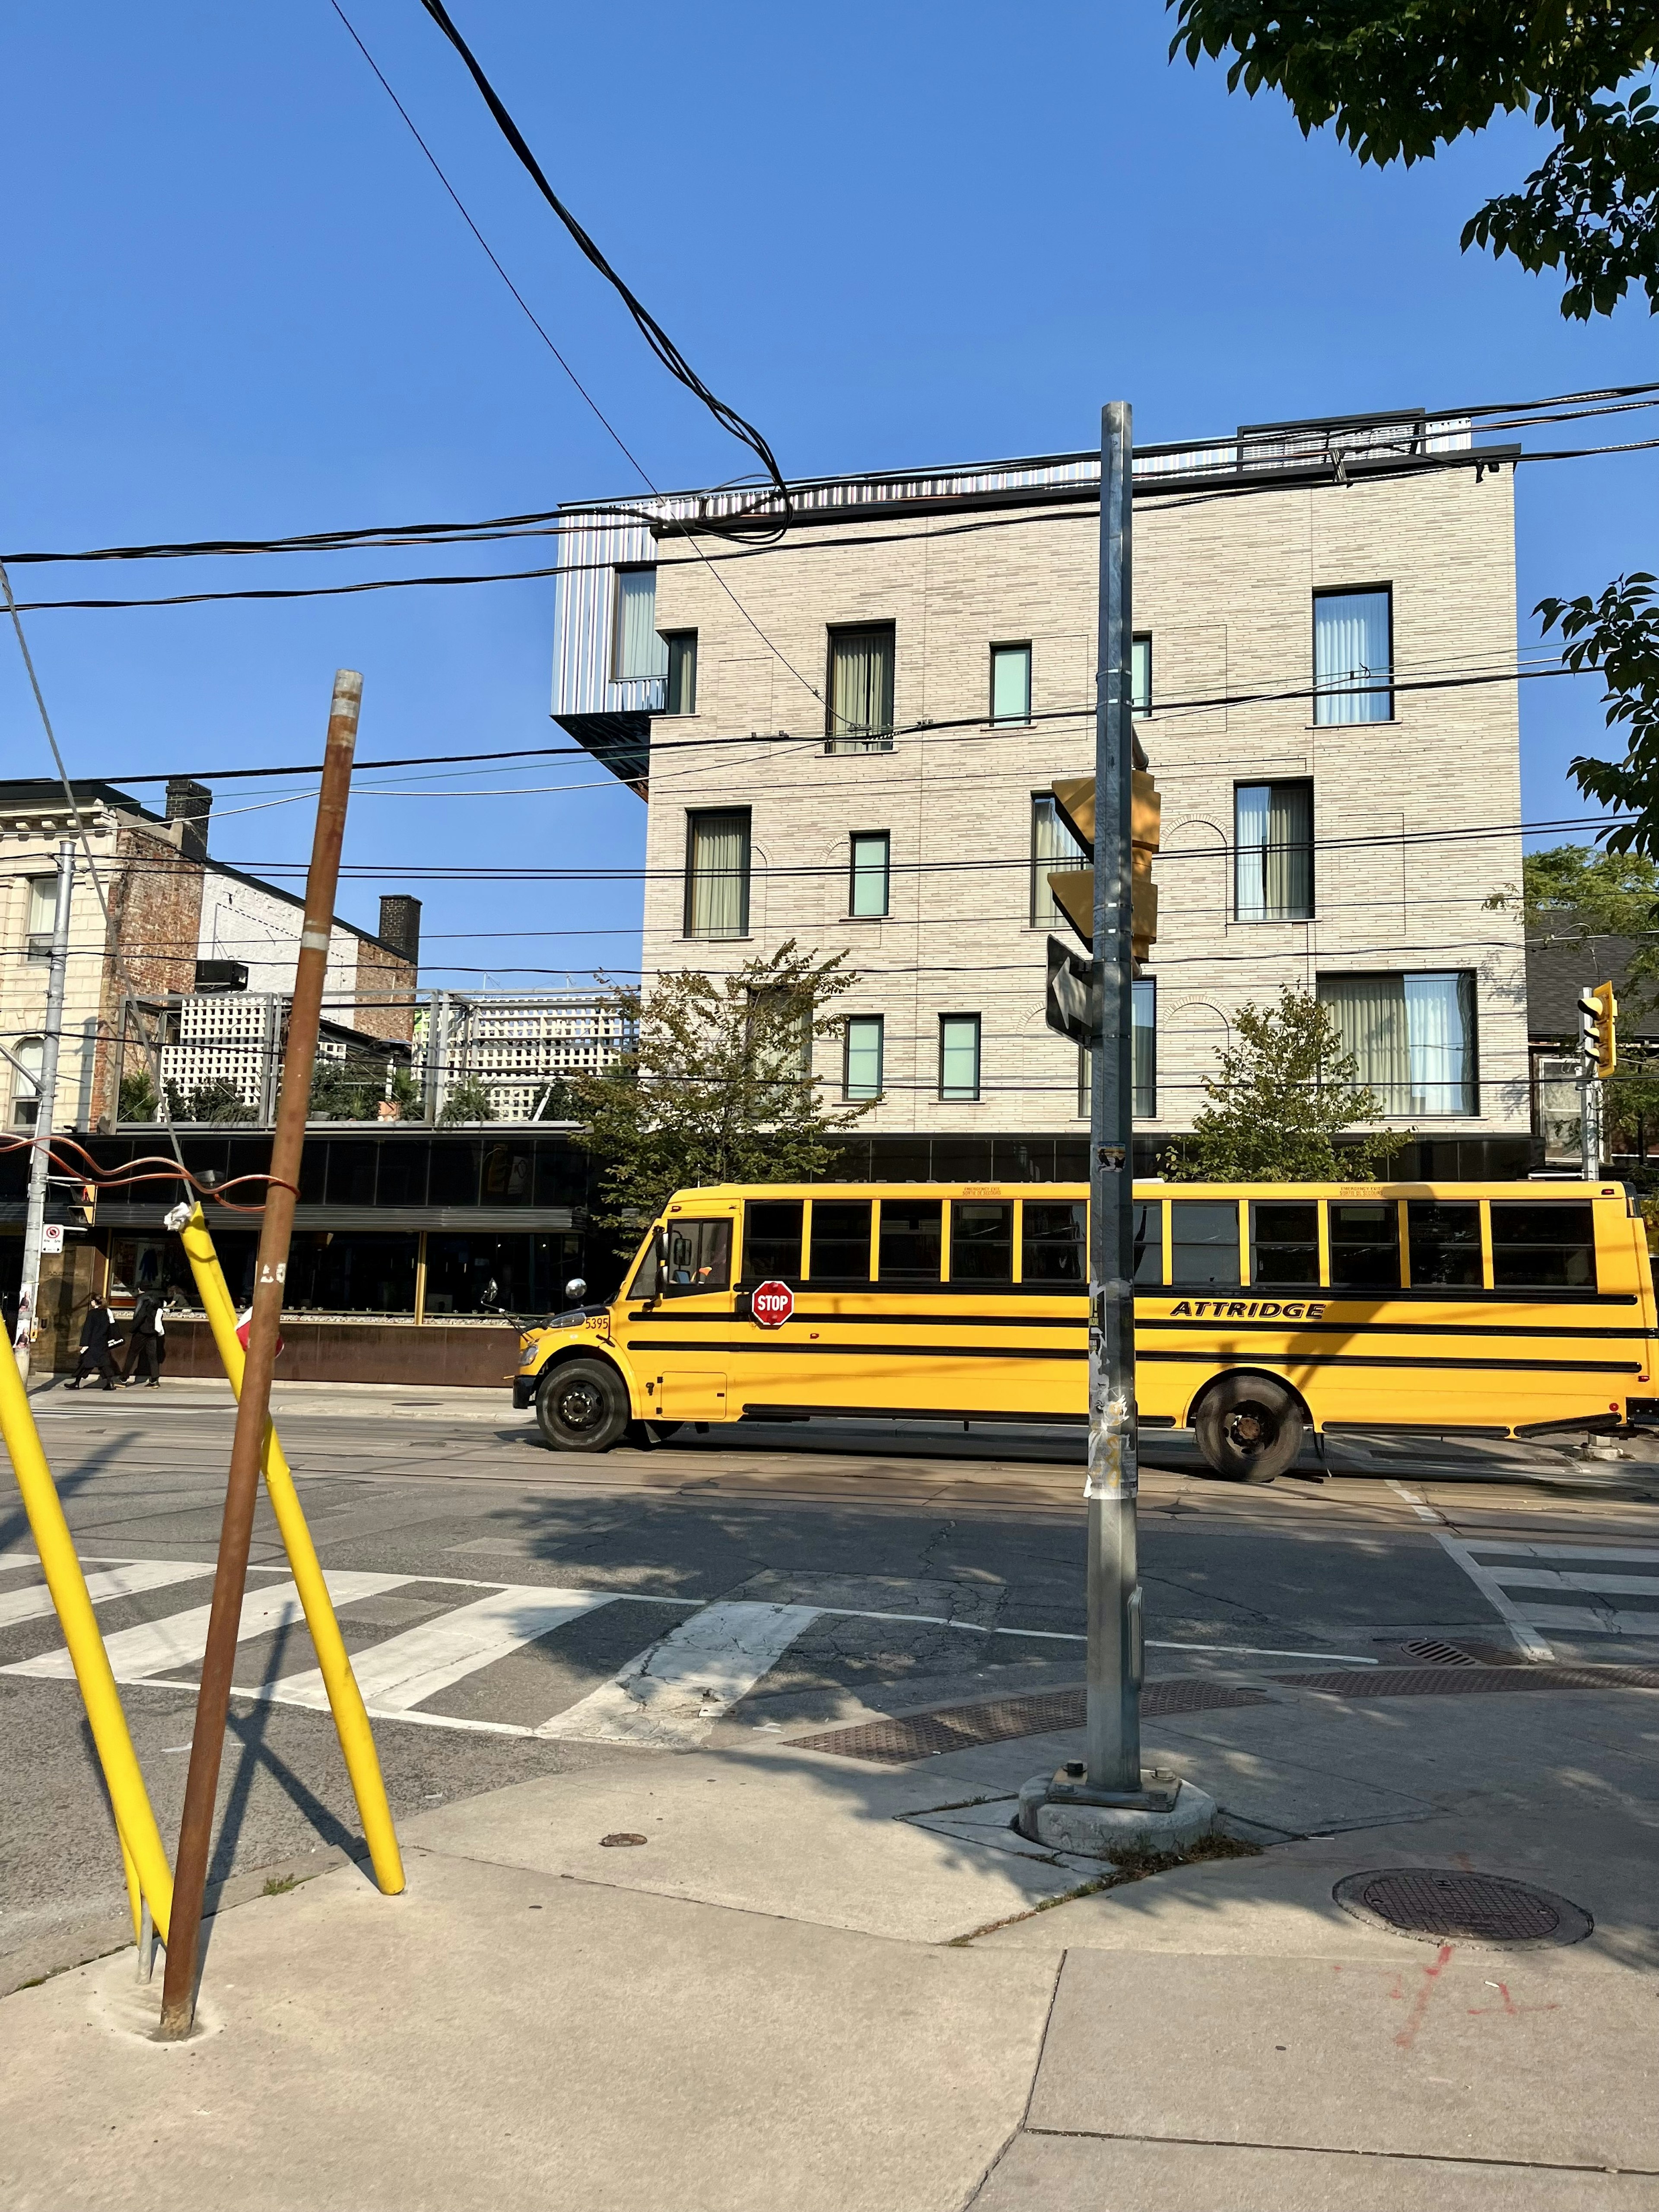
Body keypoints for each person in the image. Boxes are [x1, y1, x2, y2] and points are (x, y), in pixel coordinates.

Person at [66, 1298, 121, 1391]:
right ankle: (110, 1383)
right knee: (104, 1363)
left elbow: (88, 1329)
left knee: (85, 1363)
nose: (91, 1302)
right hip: (103, 1342)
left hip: (93, 1342)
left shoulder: (92, 1314)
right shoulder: (106, 1312)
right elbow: (111, 1326)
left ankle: (76, 1383)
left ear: (95, 1302)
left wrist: (85, 1344)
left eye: (92, 1300)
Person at [123, 1290, 166, 1389]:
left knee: (132, 1354)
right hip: (152, 1332)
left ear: (140, 1289)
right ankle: (155, 1380)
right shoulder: (156, 1299)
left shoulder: (143, 1299)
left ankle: (124, 1379)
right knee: (153, 1356)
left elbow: (141, 1316)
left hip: (141, 1331)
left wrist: (133, 1329)